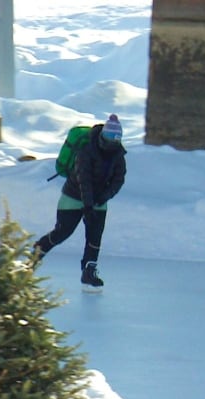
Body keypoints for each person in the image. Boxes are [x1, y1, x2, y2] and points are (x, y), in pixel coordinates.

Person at [34, 114, 127, 292]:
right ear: (102, 137)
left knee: (95, 236)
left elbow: (118, 180)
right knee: (63, 232)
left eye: (114, 142)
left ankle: (89, 272)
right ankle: (37, 252)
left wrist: (103, 197)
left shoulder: (118, 156)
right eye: (108, 140)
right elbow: (82, 179)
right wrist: (88, 204)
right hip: (74, 196)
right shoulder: (86, 150)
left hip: (98, 200)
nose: (110, 145)